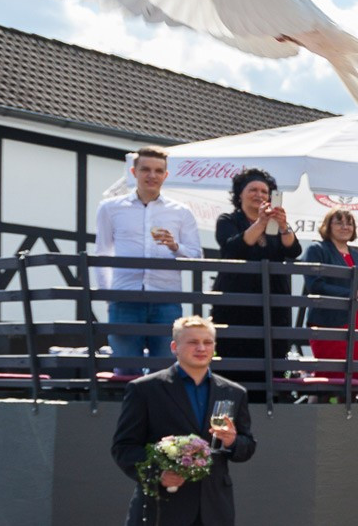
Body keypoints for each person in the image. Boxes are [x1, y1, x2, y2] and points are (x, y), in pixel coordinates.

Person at [111, 316, 256, 526]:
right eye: (192, 342)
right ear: (174, 347)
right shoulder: (144, 390)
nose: (201, 348)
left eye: (207, 342)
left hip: (214, 510)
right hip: (162, 508)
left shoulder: (234, 392)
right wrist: (159, 473)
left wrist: (232, 441)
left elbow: (247, 447)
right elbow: (123, 448)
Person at [95, 145, 203, 376]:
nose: (151, 175)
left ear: (166, 175)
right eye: (145, 169)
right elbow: (102, 253)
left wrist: (175, 246)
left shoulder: (181, 212)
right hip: (124, 296)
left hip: (166, 297)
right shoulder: (110, 208)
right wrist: (107, 294)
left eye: (157, 170)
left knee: (165, 371)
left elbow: (196, 256)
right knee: (125, 370)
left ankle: (160, 413)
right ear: (133, 172)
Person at [210, 168, 303, 400]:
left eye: (264, 191)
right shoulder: (228, 220)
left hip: (273, 305)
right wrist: (261, 222)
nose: (259, 194)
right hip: (236, 306)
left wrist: (283, 226)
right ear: (239, 194)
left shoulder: (275, 225)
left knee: (272, 361)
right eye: (253, 189)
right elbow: (233, 248)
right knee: (234, 363)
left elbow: (294, 249)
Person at [302, 206, 358, 383]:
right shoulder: (316, 249)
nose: (345, 227)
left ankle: (349, 412)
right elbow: (315, 285)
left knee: (356, 379)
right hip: (329, 321)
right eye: (339, 222)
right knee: (330, 379)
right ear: (327, 226)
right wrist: (353, 293)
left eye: (349, 223)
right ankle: (320, 410)